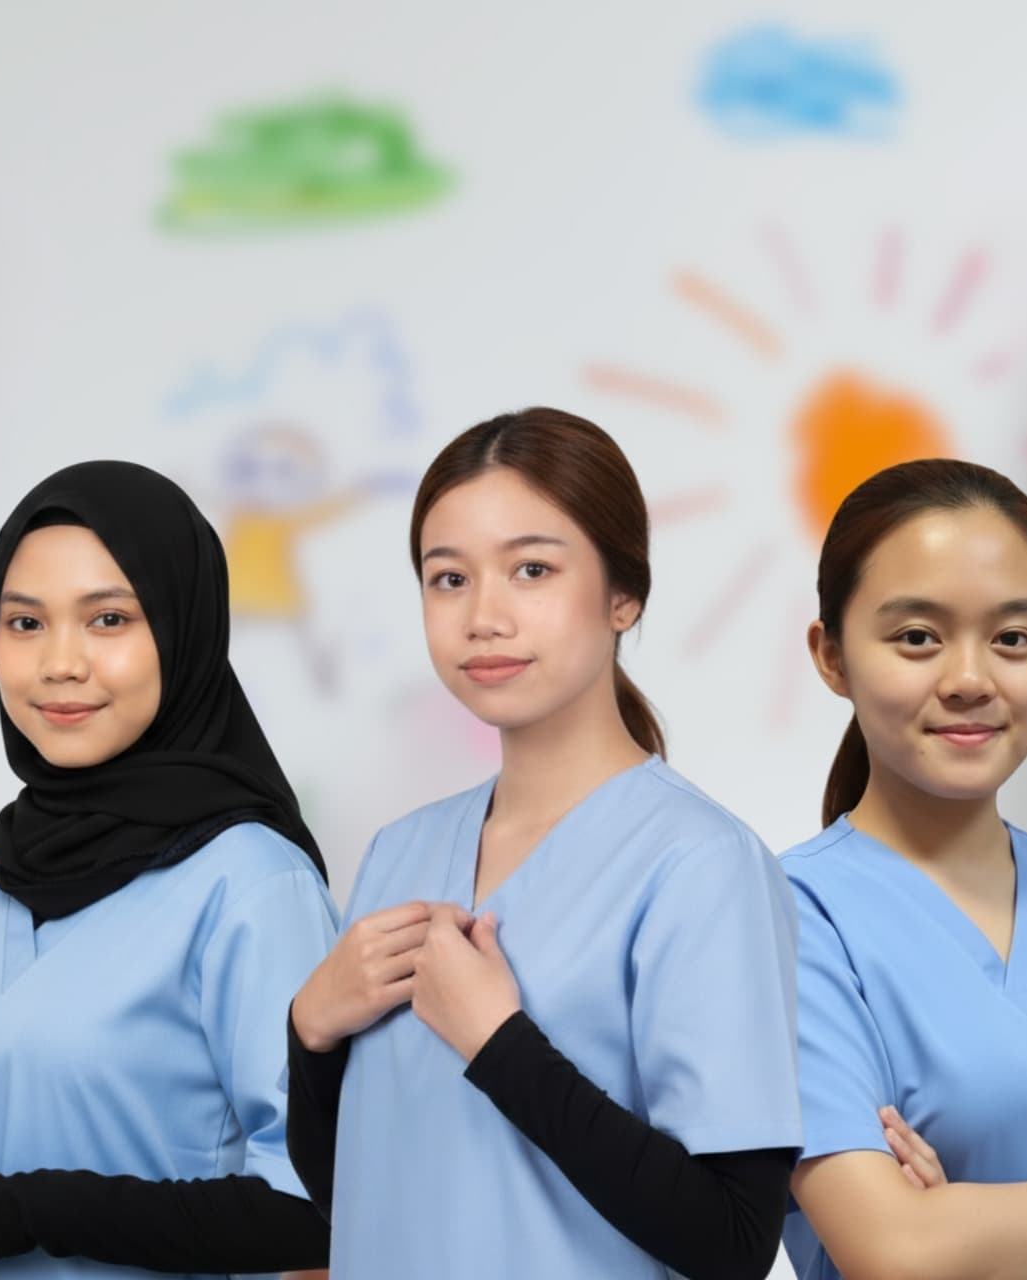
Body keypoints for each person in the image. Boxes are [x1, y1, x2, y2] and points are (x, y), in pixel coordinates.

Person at [287, 407, 801, 1279]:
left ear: (622, 595)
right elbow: (358, 1191)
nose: (484, 616)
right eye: (448, 579)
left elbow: (734, 1241)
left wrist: (499, 1042)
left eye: (531, 570)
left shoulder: (700, 865)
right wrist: (311, 1034)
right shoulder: (399, 852)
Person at [0, 461, 338, 1279]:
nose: (58, 664)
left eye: (108, 620)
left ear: (183, 630)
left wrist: (15, 1212)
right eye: (24, 623)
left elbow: (312, 1211)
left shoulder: (252, 883)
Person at [782, 457, 1027, 1280]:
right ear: (831, 656)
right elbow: (899, 1254)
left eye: (1012, 638)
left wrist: (978, 1243)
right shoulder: (782, 919)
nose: (970, 680)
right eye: (918, 637)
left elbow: (932, 1254)